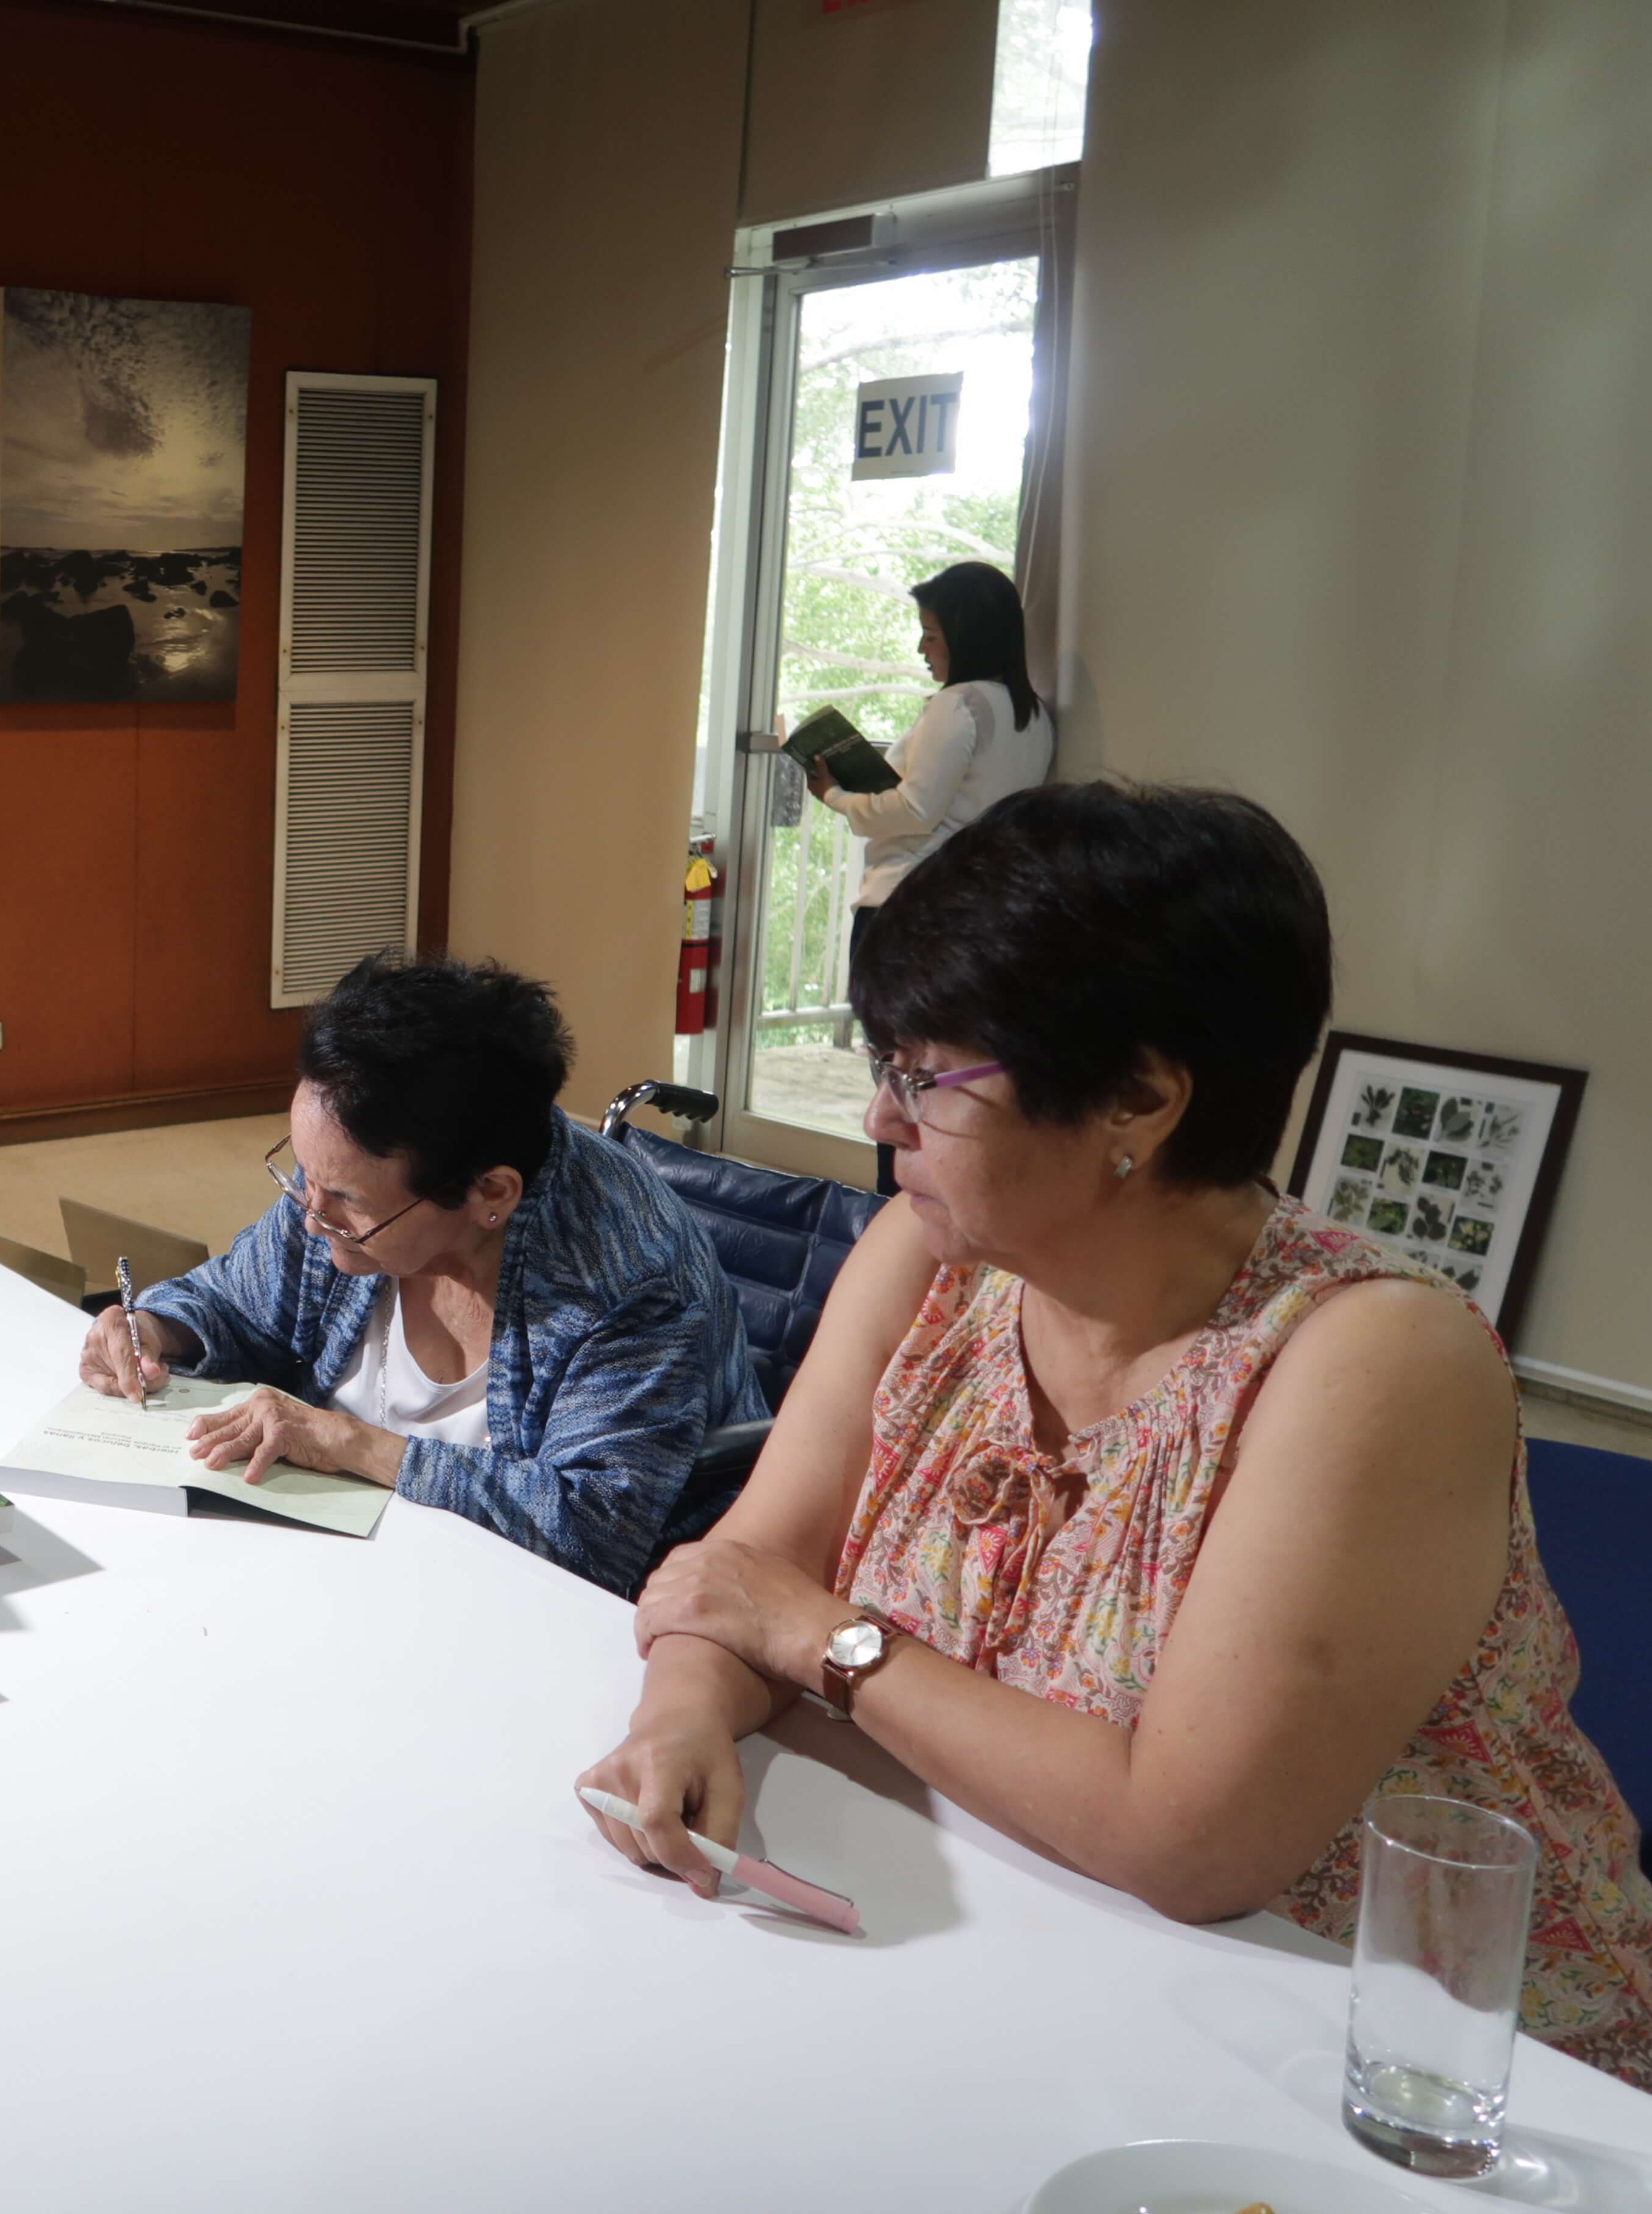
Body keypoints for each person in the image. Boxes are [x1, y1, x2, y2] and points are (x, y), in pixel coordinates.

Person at [579, 782, 1650, 2086]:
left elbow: (1188, 1842)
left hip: (1391, 2062)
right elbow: (737, 1572)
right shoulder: (934, 1256)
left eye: (927, 1077)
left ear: (1139, 1101)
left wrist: (821, 1636)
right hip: (1029, 1939)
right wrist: (685, 1707)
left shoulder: (1370, 1363)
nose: (880, 1121)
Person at [85, 955, 765, 1597]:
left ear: (490, 1196)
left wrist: (344, 1442)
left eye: (345, 1199)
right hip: (345, 1565)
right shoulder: (342, 1184)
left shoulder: (626, 1280)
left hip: (539, 1616)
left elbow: (589, 1533)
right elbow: (235, 1300)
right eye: (304, 1174)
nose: (310, 1217)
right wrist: (155, 1328)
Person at [804, 560, 1054, 1193]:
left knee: (896, 1079)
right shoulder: (1035, 718)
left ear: (966, 636)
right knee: (938, 1078)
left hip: (902, 908)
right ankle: (935, 1203)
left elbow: (915, 811)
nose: (922, 648)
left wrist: (834, 796)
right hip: (975, 912)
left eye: (932, 634)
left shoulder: (957, 705)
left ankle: (895, 1209)